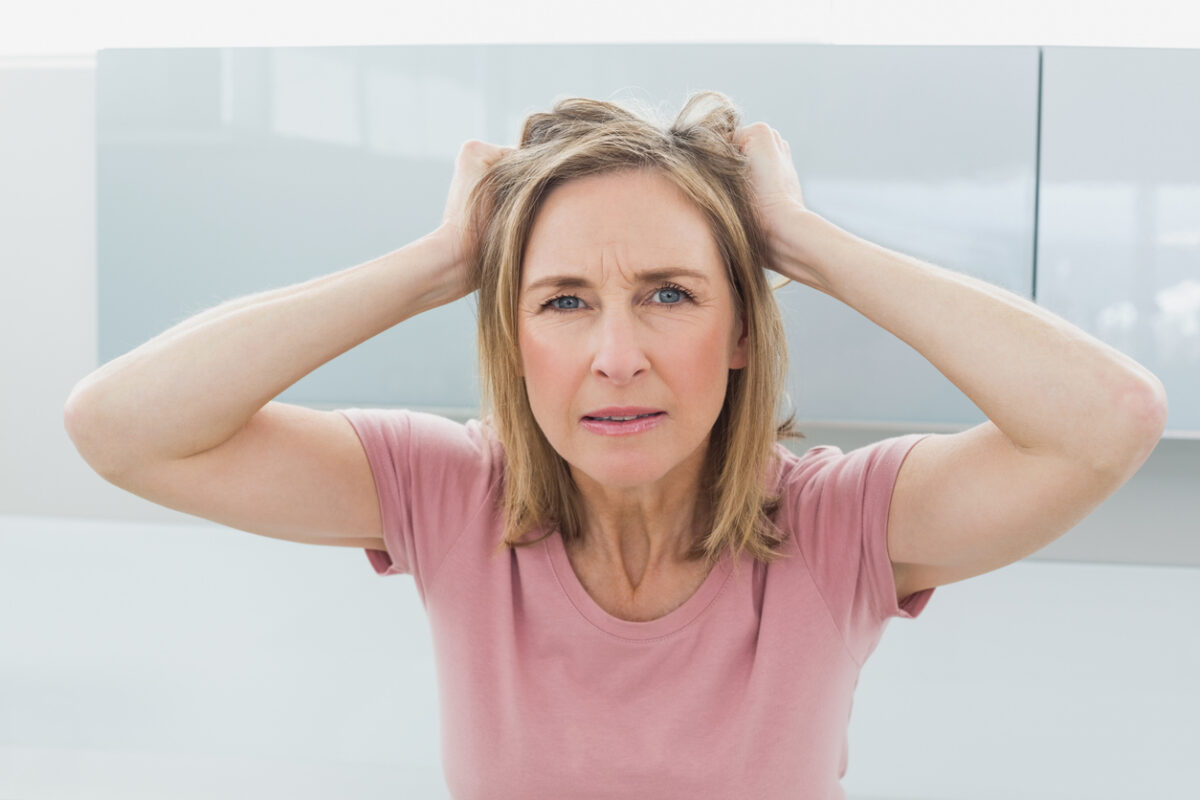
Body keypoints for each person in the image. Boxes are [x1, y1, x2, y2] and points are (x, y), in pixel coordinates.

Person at [63, 90, 1166, 798]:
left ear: (741, 329)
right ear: (514, 338)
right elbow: (121, 426)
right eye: (563, 301)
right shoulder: (452, 492)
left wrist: (801, 242)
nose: (617, 354)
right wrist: (439, 262)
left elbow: (1107, 419)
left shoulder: (841, 523)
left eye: (670, 294)